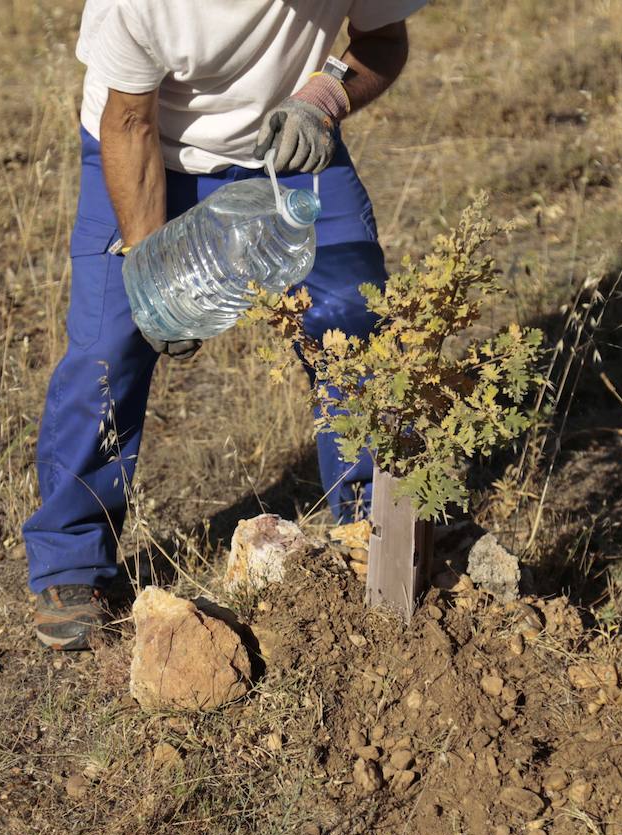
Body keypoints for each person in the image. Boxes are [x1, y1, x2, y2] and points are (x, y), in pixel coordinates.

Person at [23, 0, 426, 649]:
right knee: (109, 349)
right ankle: (72, 562)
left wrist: (323, 98)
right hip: (146, 146)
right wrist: (155, 277)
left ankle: (369, 530)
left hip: (288, 150)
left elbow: (382, 40)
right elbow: (129, 121)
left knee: (354, 320)